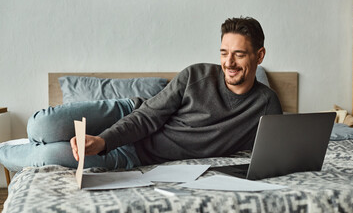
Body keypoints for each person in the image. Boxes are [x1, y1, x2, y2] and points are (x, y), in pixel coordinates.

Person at [0, 17, 282, 172]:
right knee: (42, 125)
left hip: (138, 155)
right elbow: (147, 117)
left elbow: (282, 150)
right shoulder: (196, 76)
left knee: (51, 155)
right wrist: (103, 140)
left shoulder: (266, 104)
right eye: (224, 53)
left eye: (239, 54)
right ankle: (33, 140)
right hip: (129, 115)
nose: (228, 63)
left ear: (259, 56)